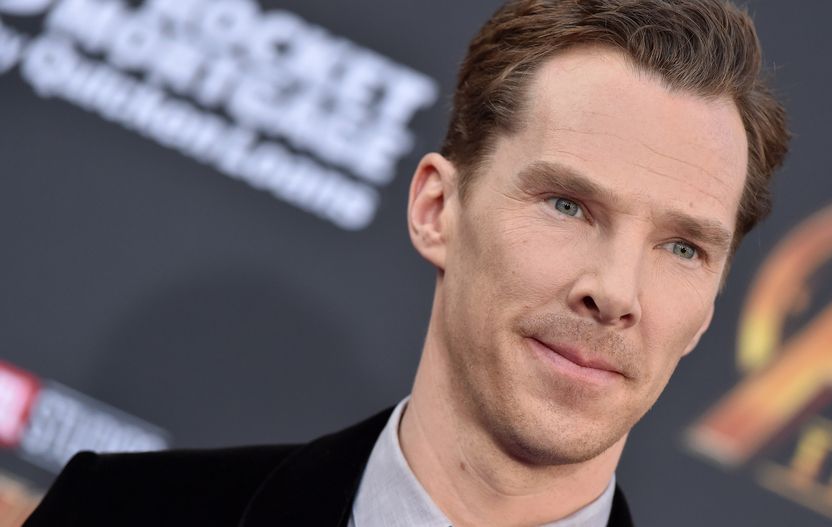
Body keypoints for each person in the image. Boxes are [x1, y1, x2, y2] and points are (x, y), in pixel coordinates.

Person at [25, 0, 789, 525]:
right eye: (567, 204)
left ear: (709, 309)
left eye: (682, 247)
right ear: (437, 209)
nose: (615, 290)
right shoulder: (116, 511)